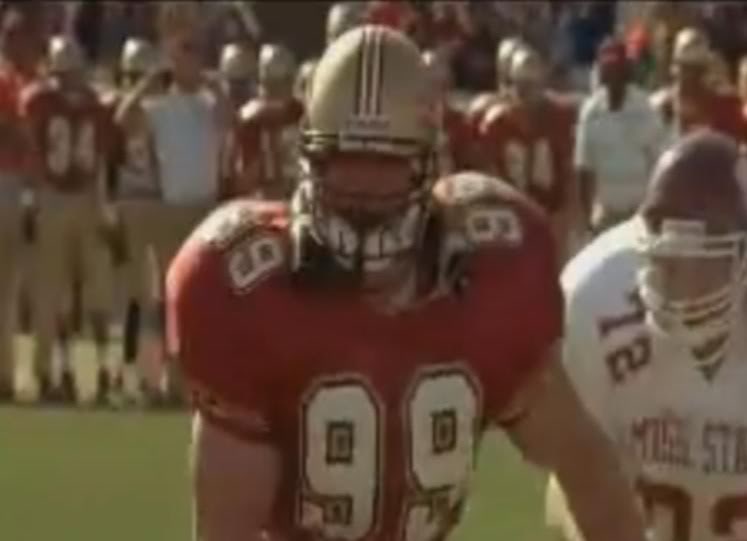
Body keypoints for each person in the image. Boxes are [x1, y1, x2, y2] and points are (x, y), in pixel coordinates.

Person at [167, 26, 648, 541]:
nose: (364, 189)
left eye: (387, 164)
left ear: (429, 161)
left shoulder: (492, 273)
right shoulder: (248, 291)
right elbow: (227, 527)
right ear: (309, 159)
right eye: (346, 160)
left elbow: (586, 466)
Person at [546, 129, 747, 541]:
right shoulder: (595, 293)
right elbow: (579, 474)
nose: (668, 279)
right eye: (661, 258)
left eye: (697, 261)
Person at [116, 6, 231, 404]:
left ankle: (198, 380)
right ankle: (163, 380)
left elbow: (232, 122)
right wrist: (150, 80)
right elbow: (124, 119)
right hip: (170, 210)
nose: (191, 60)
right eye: (184, 52)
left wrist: (213, 84)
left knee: (203, 302)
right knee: (166, 301)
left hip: (205, 211)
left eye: (195, 51)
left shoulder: (209, 103)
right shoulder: (159, 106)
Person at [22, 35, 114, 404]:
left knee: (87, 291)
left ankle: (90, 373)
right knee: (56, 293)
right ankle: (55, 372)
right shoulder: (77, 102)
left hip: (75, 197)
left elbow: (100, 158)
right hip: (60, 196)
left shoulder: (47, 100)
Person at [479, 45, 578, 263]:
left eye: (531, 85)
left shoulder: (558, 118)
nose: (525, 94)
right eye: (520, 85)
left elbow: (568, 172)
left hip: (550, 215)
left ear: (542, 85)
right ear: (510, 85)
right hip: (512, 219)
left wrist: (565, 219)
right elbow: (490, 180)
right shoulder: (496, 124)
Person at [575, 38, 665, 235]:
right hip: (606, 214)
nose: (613, 76)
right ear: (601, 73)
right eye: (609, 70)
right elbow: (584, 169)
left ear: (626, 71)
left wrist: (654, 210)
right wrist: (587, 219)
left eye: (617, 69)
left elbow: (658, 164)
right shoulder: (590, 112)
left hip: (640, 213)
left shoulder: (645, 108)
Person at [0, 7, 42, 402]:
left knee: (8, 290)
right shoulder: (7, 81)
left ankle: (6, 373)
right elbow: (16, 134)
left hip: (11, 185)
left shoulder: (17, 80)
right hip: (5, 182)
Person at [650, 27, 747, 143]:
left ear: (706, 71)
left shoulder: (726, 107)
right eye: (684, 68)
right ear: (674, 69)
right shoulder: (660, 107)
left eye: (696, 70)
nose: (689, 78)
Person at [232, 43, 303, 200]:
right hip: (264, 200)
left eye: (283, 82)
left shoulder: (300, 112)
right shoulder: (250, 119)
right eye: (272, 83)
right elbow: (243, 182)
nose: (278, 91)